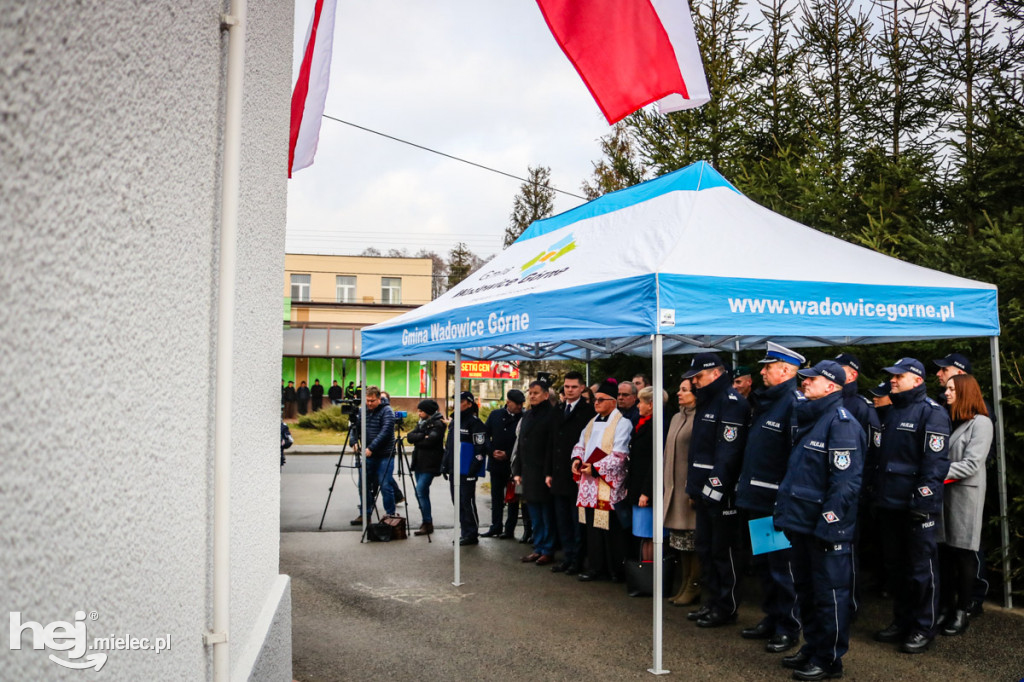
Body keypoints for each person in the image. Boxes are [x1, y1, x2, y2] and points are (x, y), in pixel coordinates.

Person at [774, 360, 866, 681]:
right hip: (802, 525)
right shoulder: (813, 418)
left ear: (831, 386)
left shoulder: (841, 424)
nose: (805, 383)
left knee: (830, 595)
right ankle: (813, 647)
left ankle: (829, 660)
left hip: (824, 529)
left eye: (812, 379)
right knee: (807, 591)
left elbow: (845, 483)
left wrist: (829, 524)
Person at [870, 358, 950, 654]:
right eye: (891, 376)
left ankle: (923, 627)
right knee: (896, 568)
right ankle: (902, 621)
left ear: (916, 380)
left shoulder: (932, 413)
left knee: (921, 570)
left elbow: (935, 463)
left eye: (898, 376)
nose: (892, 380)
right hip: (890, 504)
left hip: (916, 506)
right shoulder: (891, 411)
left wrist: (924, 502)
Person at [734, 342, 806, 653]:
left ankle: (788, 625)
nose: (762, 372)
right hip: (757, 498)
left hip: (775, 501)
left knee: (781, 568)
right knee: (764, 565)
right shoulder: (769, 401)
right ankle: (772, 616)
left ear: (787, 371)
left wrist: (784, 499)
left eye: (768, 367)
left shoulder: (792, 402)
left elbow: (796, 457)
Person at [682, 352, 750, 628]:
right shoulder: (707, 401)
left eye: (699, 376)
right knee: (706, 549)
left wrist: (715, 489)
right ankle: (711, 602)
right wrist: (694, 488)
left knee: (724, 551)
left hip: (721, 494)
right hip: (702, 490)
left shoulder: (731, 402)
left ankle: (726, 606)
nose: (695, 382)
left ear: (717, 373)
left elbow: (728, 452)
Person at [933, 351, 992, 616]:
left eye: (951, 389)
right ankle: (946, 607)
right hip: (944, 495)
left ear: (965, 391)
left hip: (965, 497)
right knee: (944, 553)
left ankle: (963, 611)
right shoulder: (948, 419)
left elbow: (971, 464)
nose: (946, 393)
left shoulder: (982, 423)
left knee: (964, 554)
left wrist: (933, 472)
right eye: (946, 389)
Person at [572, 379, 632, 582]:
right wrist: (577, 459)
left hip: (607, 483)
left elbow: (620, 455)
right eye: (595, 399)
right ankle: (596, 567)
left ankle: (615, 569)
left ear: (613, 401)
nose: (595, 403)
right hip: (588, 484)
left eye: (600, 399)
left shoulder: (622, 423)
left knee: (609, 529)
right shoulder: (592, 421)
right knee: (592, 528)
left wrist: (596, 468)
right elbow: (580, 443)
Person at [549, 371, 595, 574]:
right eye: (566, 387)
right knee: (563, 520)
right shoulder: (558, 409)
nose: (569, 390)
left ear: (582, 388)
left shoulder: (587, 412)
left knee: (577, 521)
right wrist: (548, 472)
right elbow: (551, 444)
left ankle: (577, 560)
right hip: (558, 473)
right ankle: (567, 557)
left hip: (577, 475)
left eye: (573, 387)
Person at [625, 385, 668, 595]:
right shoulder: (644, 424)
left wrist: (647, 492)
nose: (638, 405)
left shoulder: (657, 426)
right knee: (643, 534)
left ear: (651, 405)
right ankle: (646, 578)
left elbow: (655, 462)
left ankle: (651, 579)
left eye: (641, 402)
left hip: (647, 491)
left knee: (649, 534)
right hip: (638, 486)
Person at [512, 380, 559, 565]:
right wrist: (517, 470)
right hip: (528, 472)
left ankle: (548, 549)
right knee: (534, 514)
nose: (532, 396)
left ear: (546, 395)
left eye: (536, 393)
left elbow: (552, 446)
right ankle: (538, 547)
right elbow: (521, 445)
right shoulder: (528, 415)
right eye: (530, 393)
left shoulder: (552, 415)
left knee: (547, 513)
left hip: (545, 473)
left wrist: (549, 472)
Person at [665, 378, 699, 606]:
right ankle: (684, 582)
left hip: (688, 489)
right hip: (673, 489)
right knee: (680, 542)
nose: (678, 393)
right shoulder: (677, 417)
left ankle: (694, 584)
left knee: (693, 541)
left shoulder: (701, 417)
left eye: (684, 390)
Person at [443, 391, 488, 546]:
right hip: (454, 469)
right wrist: (445, 464)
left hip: (467, 470)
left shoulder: (475, 423)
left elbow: (480, 449)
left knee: (466, 501)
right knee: (457, 502)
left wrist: (473, 470)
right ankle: (465, 531)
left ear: (469, 403)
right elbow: (449, 446)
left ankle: (472, 533)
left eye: (460, 401)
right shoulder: (455, 421)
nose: (456, 403)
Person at [348, 386, 397, 525]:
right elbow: (355, 428)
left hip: (384, 455)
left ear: (379, 399)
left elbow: (386, 431)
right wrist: (353, 442)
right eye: (367, 400)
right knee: (363, 485)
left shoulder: (387, 411)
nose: (369, 403)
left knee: (385, 485)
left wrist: (371, 447)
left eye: (372, 401)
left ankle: (390, 516)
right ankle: (365, 514)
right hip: (368, 454)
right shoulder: (363, 410)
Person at [482, 389, 525, 539]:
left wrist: (507, 453)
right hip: (496, 463)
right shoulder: (495, 415)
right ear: (508, 402)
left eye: (521, 404)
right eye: (517, 404)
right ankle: (495, 526)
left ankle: (509, 529)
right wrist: (491, 451)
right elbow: (485, 435)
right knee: (496, 496)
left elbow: (522, 442)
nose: (520, 407)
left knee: (513, 497)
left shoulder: (524, 417)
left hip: (514, 465)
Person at [405, 399, 447, 536]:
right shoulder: (423, 423)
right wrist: (423, 436)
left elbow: (431, 441)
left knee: (420, 490)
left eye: (421, 411)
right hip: (419, 462)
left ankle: (427, 522)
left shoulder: (438, 424)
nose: (418, 413)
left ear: (428, 411)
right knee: (422, 493)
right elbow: (410, 437)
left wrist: (420, 439)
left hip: (431, 463)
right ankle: (426, 521)